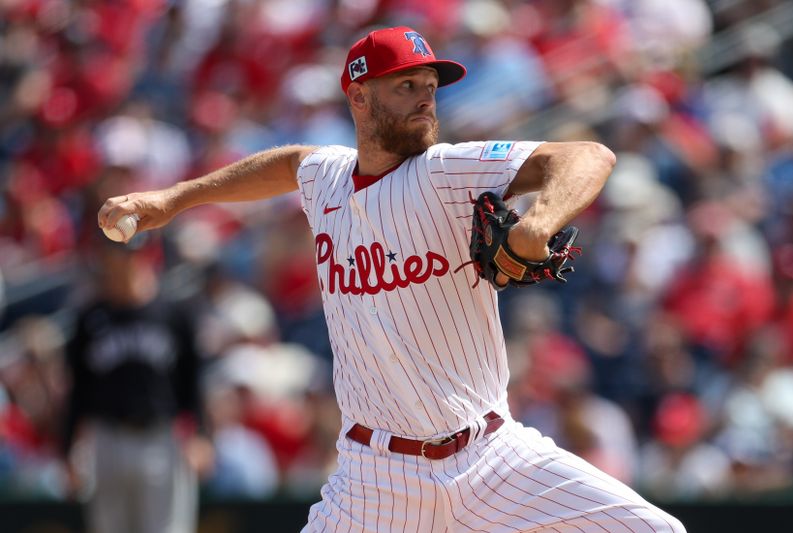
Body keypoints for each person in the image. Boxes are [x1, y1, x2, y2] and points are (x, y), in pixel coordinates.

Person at [99, 26, 685, 532]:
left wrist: (538, 223)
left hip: (490, 457)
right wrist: (174, 199)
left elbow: (587, 155)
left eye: (430, 88)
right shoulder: (326, 177)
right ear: (358, 96)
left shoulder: (446, 170)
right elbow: (287, 163)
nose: (425, 100)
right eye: (406, 86)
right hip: (374, 479)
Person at [61, 233, 214, 533]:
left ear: (143, 256)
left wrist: (201, 434)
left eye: (126, 255)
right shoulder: (90, 318)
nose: (119, 264)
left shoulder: (172, 314)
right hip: (106, 437)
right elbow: (77, 390)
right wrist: (67, 449)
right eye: (113, 256)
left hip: (160, 437)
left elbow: (193, 381)